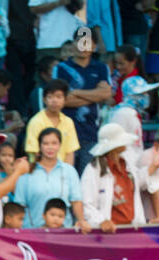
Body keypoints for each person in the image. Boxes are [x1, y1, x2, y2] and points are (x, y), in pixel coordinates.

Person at [81, 121, 158, 231]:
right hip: (110, 231)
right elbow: (86, 203)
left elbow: (138, 181)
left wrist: (154, 165)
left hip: (132, 227)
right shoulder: (93, 169)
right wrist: (101, 221)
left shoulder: (126, 163)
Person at [55, 26, 113, 171]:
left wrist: (75, 93)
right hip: (65, 133)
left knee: (88, 178)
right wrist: (95, 95)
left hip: (91, 132)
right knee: (67, 178)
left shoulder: (101, 68)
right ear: (73, 44)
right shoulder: (61, 68)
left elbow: (106, 95)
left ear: (94, 46)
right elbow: (62, 101)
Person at [13, 126, 88, 229]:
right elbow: (20, 206)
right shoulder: (27, 172)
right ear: (40, 146)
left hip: (62, 232)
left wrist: (81, 220)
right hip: (32, 232)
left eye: (54, 143)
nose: (50, 147)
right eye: (45, 143)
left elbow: (76, 201)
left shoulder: (69, 171)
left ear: (60, 145)